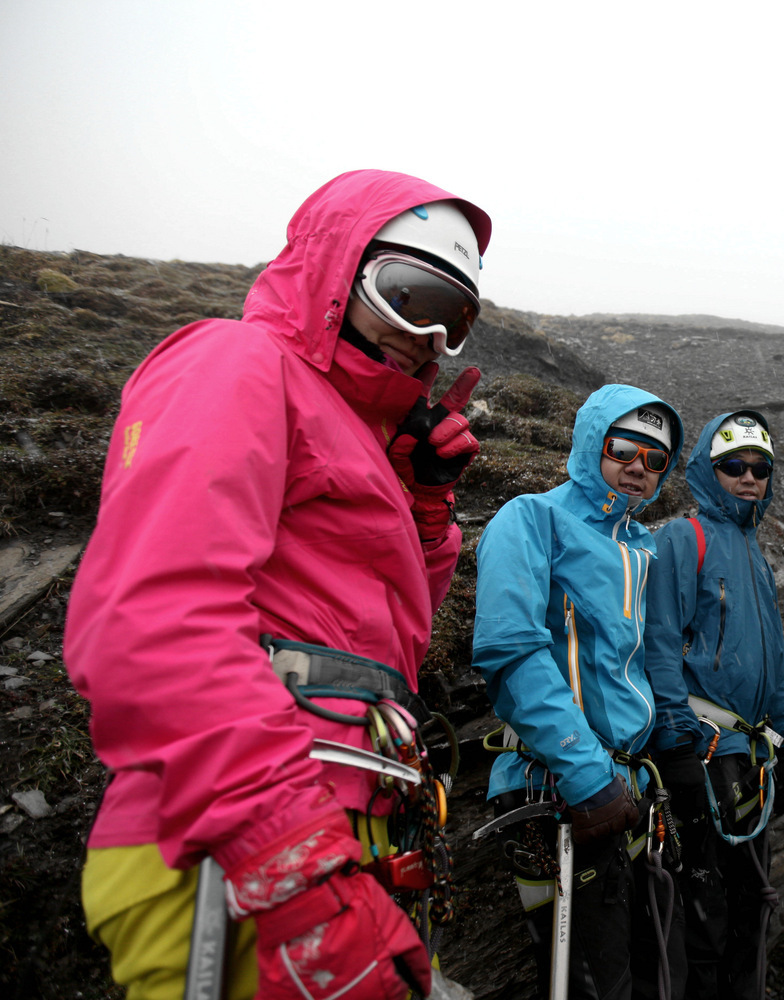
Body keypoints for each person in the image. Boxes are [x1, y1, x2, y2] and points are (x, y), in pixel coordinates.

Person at [65, 169, 492, 1000]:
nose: (429, 337)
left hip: (338, 841)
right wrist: (285, 857)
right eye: (410, 295)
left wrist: (425, 507)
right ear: (341, 271)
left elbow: (387, 634)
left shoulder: (360, 436)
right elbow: (155, 617)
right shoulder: (240, 361)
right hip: (239, 853)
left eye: (455, 319)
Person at [472, 384, 686, 1000]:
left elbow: (637, 667)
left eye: (656, 460)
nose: (638, 468)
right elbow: (510, 650)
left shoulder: (639, 548)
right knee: (597, 986)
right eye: (625, 448)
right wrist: (585, 770)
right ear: (593, 441)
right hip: (558, 788)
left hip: (629, 790)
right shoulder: (532, 518)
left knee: (652, 974)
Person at [643, 411, 784, 1000]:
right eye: (732, 465)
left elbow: (775, 663)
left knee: (751, 904)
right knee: (704, 913)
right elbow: (659, 644)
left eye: (760, 468)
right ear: (708, 472)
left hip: (753, 757)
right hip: (708, 754)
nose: (748, 477)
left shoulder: (754, 552)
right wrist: (675, 739)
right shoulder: (685, 538)